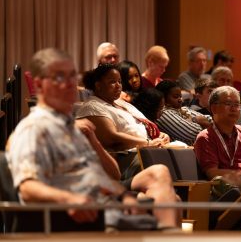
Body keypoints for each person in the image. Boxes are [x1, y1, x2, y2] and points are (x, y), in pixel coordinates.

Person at [6, 48, 178, 230]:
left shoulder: (71, 128)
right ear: (40, 85)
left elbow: (113, 176)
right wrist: (70, 199)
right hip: (75, 212)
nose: (70, 84)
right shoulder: (33, 129)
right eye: (59, 78)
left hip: (102, 202)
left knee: (161, 181)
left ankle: (167, 234)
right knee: (166, 203)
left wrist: (122, 195)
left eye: (72, 77)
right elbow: (27, 188)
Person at [76, 64, 170, 152]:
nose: (118, 86)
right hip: (127, 156)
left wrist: (159, 135)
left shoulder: (122, 104)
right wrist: (148, 143)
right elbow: (112, 138)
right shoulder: (92, 107)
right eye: (112, 82)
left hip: (148, 148)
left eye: (120, 82)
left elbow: (143, 125)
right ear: (98, 85)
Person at [156, 80, 211, 145]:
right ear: (163, 98)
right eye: (176, 97)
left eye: (180, 96)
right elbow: (193, 133)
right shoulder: (164, 113)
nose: (180, 100)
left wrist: (198, 121)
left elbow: (212, 121)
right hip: (184, 153)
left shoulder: (183, 109)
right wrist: (199, 121)